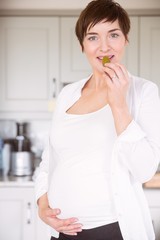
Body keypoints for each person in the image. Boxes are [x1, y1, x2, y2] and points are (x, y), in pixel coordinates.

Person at [35, 0, 160, 239]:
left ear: (125, 40)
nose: (104, 47)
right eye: (92, 37)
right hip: (62, 231)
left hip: (112, 230)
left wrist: (119, 104)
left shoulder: (143, 91)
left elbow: (145, 171)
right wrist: (42, 206)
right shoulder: (67, 94)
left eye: (113, 34)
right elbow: (49, 162)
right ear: (82, 45)